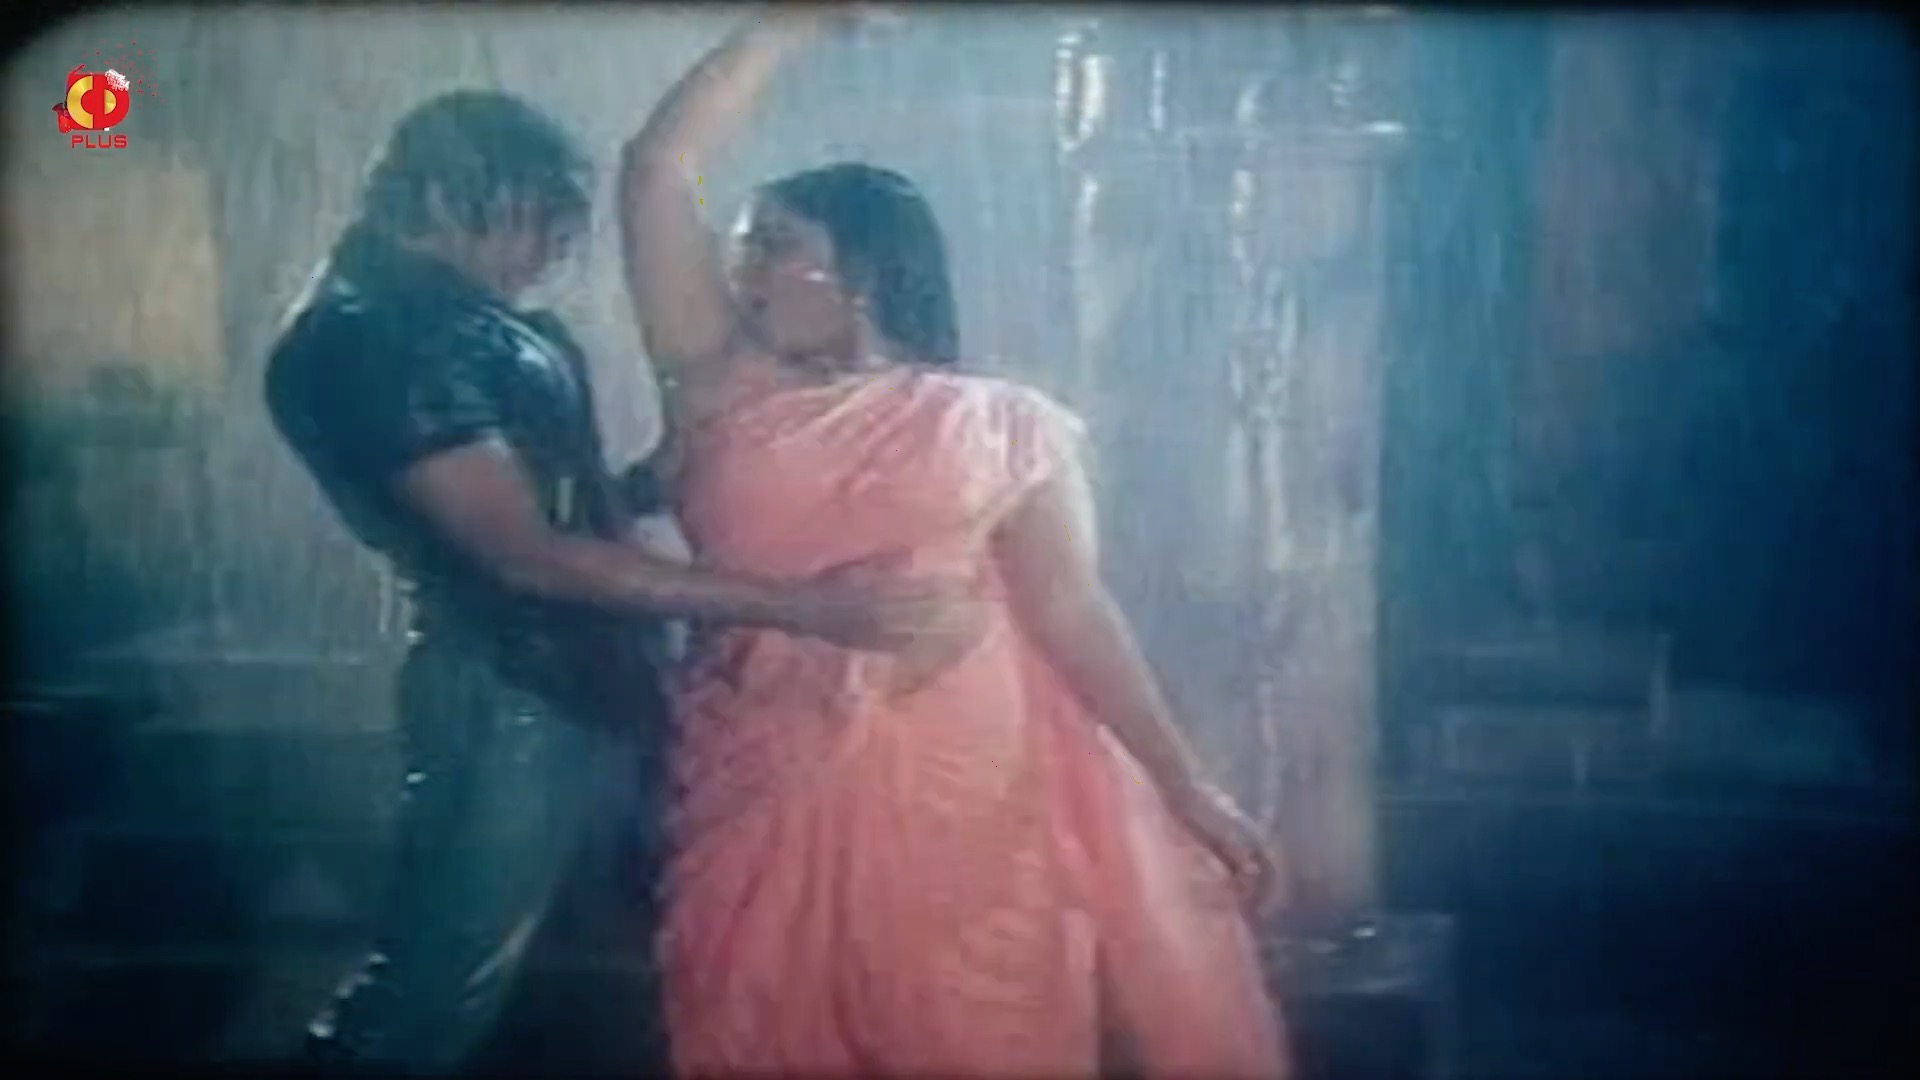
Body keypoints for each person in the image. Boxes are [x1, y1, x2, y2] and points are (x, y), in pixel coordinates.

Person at [620, 10, 1292, 1077]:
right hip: (763, 756)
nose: (741, 271)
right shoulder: (718, 384)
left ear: (861, 272)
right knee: (760, 1027)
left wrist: (1185, 785)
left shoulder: (1002, 423)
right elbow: (657, 171)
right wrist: (795, 24)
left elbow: (1071, 611)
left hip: (964, 779)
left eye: (773, 245)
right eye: (739, 245)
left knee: (974, 1026)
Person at [263, 89, 975, 1073]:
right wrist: (806, 608)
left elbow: (546, 515)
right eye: (540, 222)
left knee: (633, 953)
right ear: (455, 192)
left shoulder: (441, 314)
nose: (553, 251)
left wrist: (654, 479)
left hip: (577, 679)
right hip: (515, 693)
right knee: (436, 982)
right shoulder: (377, 334)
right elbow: (525, 554)